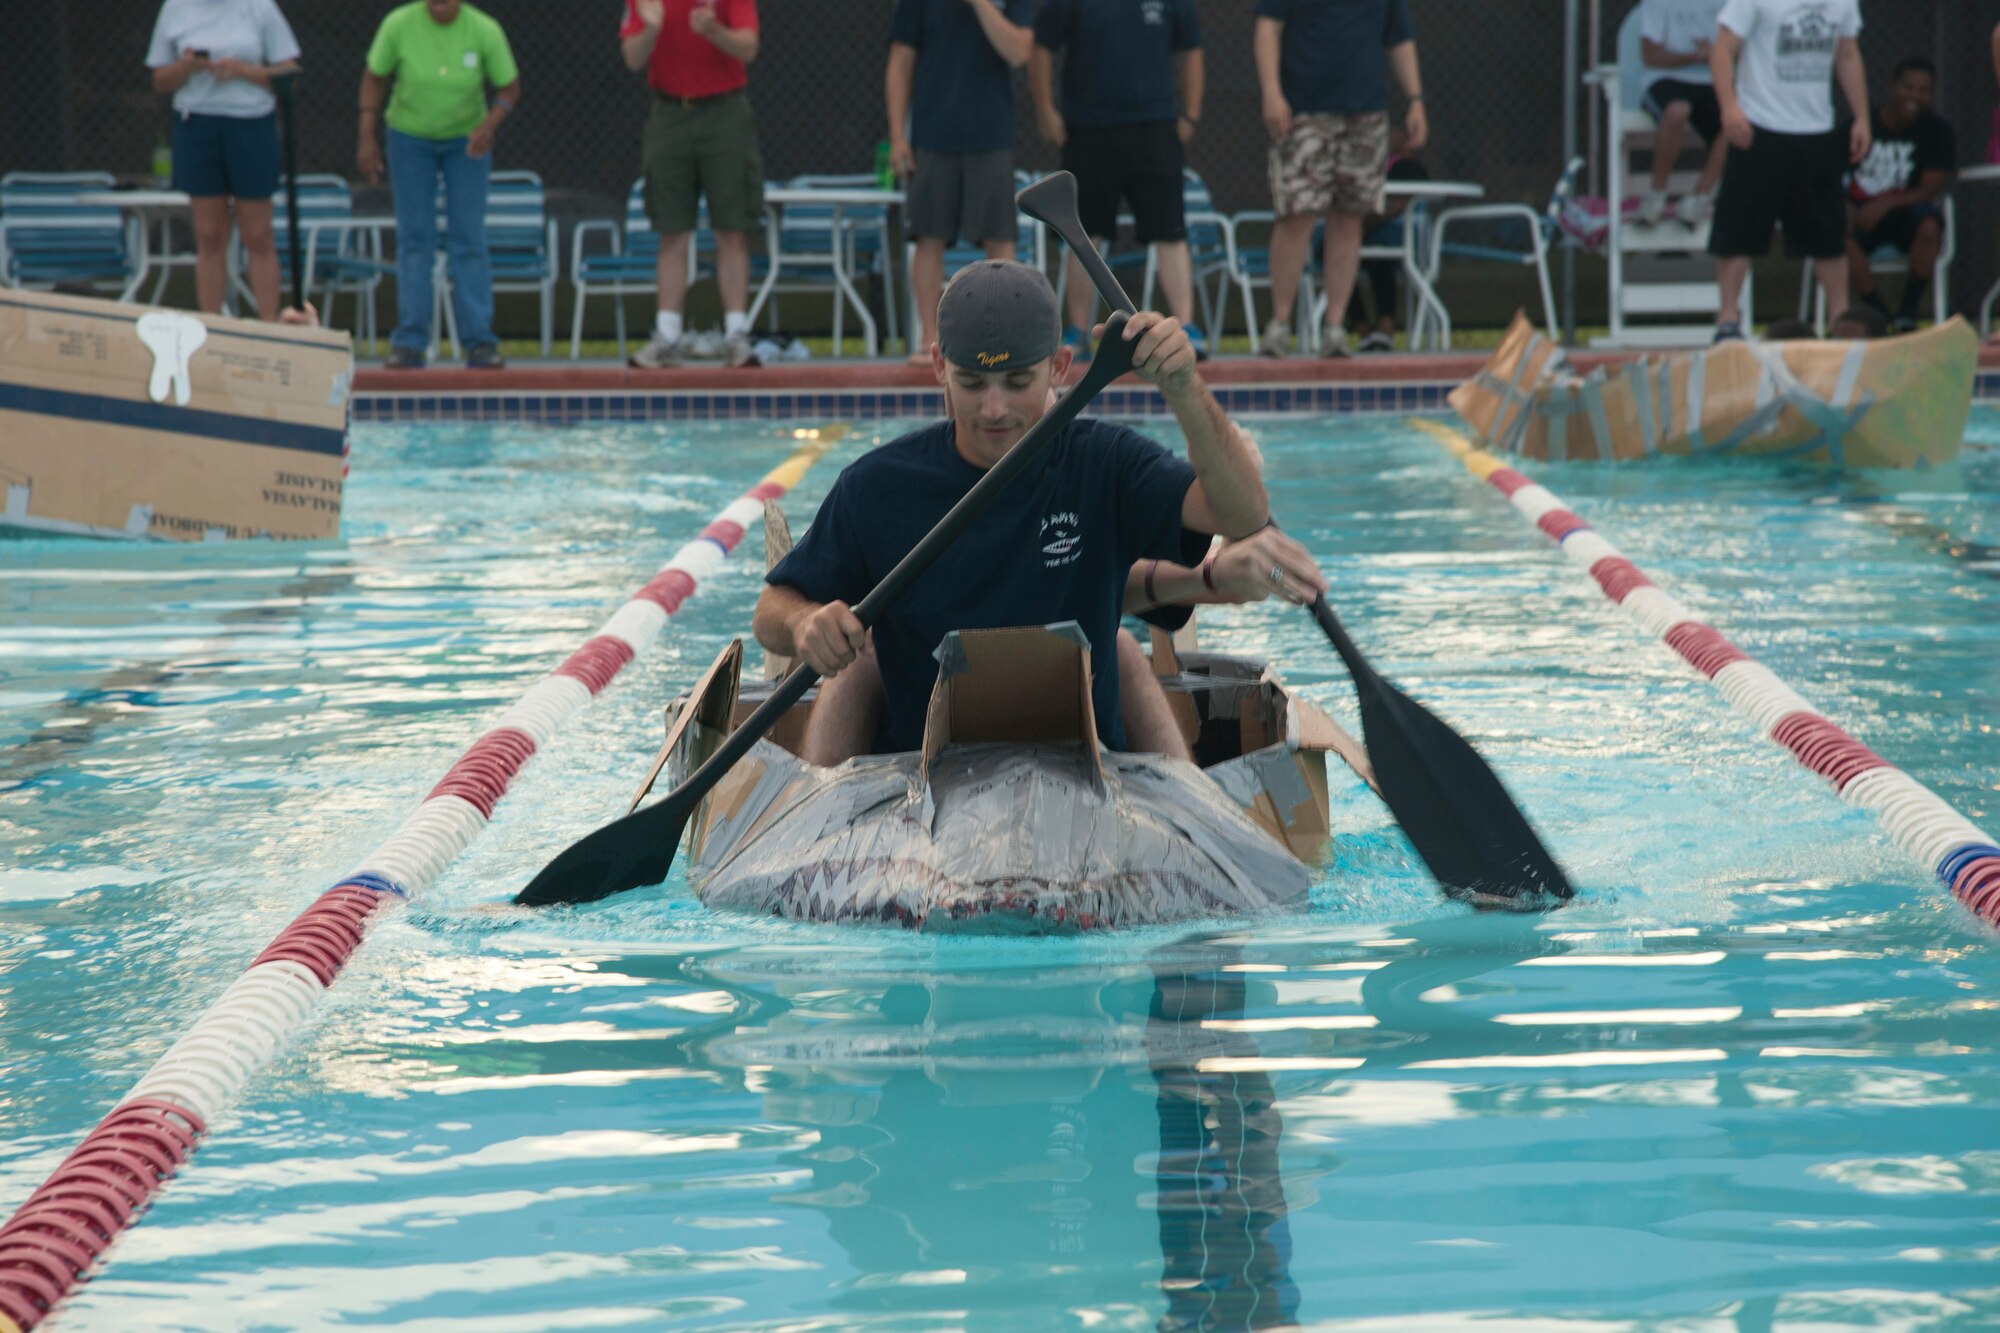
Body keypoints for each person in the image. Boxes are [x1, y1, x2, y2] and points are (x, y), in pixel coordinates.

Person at [754, 261, 1320, 768]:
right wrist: (805, 624)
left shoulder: (1107, 464)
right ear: (937, 366)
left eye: (1017, 382)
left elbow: (1242, 515)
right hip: (922, 783)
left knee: (1123, 649)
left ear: (1060, 367)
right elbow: (771, 608)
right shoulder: (876, 486)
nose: (994, 409)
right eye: (971, 383)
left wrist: (1184, 388)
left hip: (1086, 774)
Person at [1029, 0, 1209, 361]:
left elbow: (1191, 50)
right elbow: (1041, 46)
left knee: (1169, 231)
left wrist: (1189, 114)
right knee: (1084, 233)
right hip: (1089, 128)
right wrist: (1046, 111)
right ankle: (1079, 332)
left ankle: (1185, 328)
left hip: (1154, 126)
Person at [1253, 0, 1426, 359]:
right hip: (1303, 109)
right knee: (1296, 215)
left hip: (1365, 113)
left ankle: (1334, 330)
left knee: (1349, 218)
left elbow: (1400, 38)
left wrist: (1415, 100)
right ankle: (1279, 326)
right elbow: (1267, 28)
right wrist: (1271, 92)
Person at [357, 0, 520, 370]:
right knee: (415, 238)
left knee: (469, 237)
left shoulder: (484, 29)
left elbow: (509, 88)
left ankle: (480, 341)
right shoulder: (398, 23)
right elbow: (374, 77)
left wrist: (490, 125)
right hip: (409, 139)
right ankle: (410, 342)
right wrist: (366, 134)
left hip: (467, 142)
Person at [1707, 0, 1869, 344]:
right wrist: (1729, 107)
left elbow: (1847, 54)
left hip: (1816, 129)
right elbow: (1723, 48)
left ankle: (1839, 320)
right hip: (1760, 127)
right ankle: (1728, 321)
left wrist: (1862, 117)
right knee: (1740, 228)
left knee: (1827, 231)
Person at [886, 0, 1034, 366]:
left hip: (990, 135)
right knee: (928, 237)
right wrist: (897, 136)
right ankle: (928, 340)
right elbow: (901, 61)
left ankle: (1005, 339)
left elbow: (1018, 51)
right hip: (933, 134)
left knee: (999, 239)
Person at [621, 0, 765, 370]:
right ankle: (667, 337)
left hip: (724, 113)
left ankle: (736, 335)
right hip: (669, 114)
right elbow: (632, 58)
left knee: (731, 229)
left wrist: (713, 30)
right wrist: (651, 27)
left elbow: (748, 47)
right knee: (672, 232)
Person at [145, 0, 301, 322]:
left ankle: (268, 328)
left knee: (258, 234)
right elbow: (160, 79)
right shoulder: (176, 8)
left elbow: (289, 73)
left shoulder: (260, 8)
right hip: (197, 123)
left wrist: (243, 70)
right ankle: (210, 327)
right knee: (209, 233)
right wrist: (184, 67)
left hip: (251, 123)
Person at [1845, 57, 1954, 332]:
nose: (1915, 96)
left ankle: (1907, 312)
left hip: (1907, 214)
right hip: (1860, 215)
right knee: (1835, 231)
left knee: (1930, 227)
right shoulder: (1858, 125)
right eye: (1908, 87)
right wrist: (1847, 209)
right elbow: (1831, 180)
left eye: (1924, 90)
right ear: (1892, 85)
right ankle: (1876, 310)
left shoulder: (1938, 131)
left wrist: (1884, 205)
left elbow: (1931, 188)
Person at [1636, 0, 1728, 227]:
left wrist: (1716, 53)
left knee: (1736, 122)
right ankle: (1656, 198)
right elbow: (1650, 56)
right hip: (1667, 78)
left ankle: (1698, 199)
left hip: (1713, 80)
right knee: (1678, 111)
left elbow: (1744, 48)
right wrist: (1693, 56)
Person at [1343, 142, 1428, 352]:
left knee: (1379, 256)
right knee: (1338, 261)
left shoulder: (1407, 173)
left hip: (1385, 245)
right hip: (1350, 242)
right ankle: (1363, 330)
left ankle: (1385, 329)